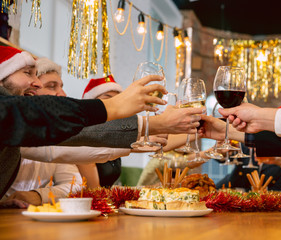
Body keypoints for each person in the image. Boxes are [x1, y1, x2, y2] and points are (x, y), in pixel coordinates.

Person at [0, 45, 167, 203]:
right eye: (28, 73)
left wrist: (36, 196)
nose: (37, 84)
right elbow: (80, 142)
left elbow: (74, 177)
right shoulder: (15, 120)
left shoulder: (25, 131)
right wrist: (146, 125)